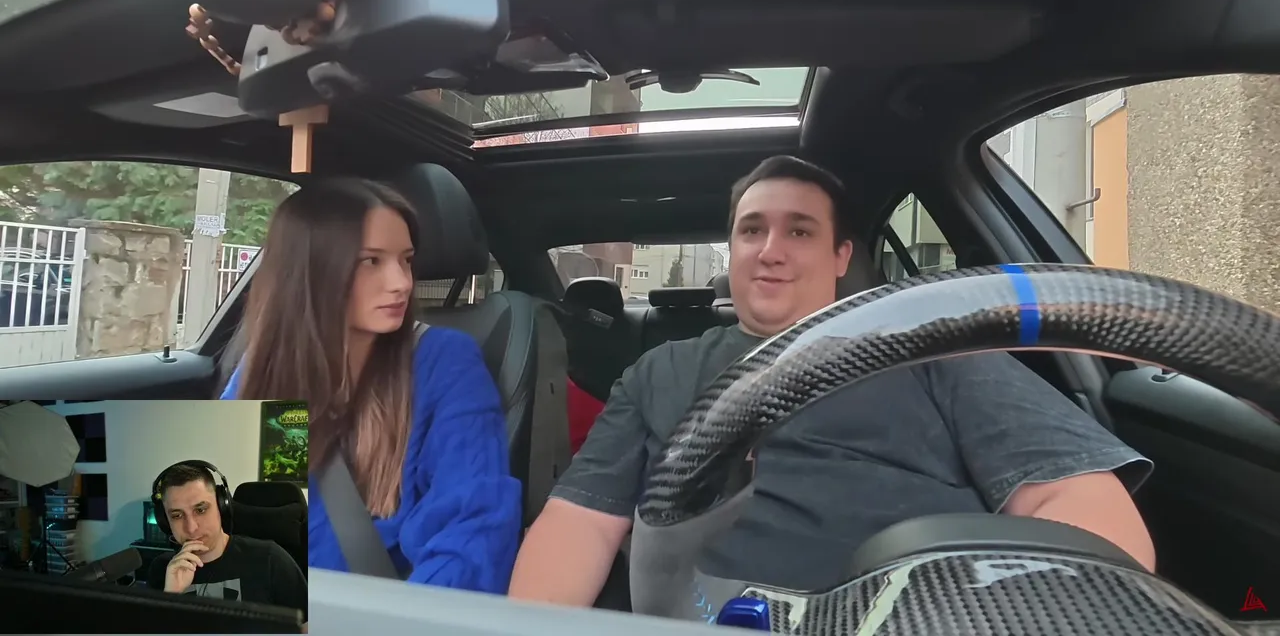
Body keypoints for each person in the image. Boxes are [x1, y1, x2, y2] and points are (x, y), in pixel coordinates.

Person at [509, 155, 1156, 613]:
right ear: (732, 248)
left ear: (841, 256)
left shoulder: (935, 353)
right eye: (752, 229)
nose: (771, 249)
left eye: (799, 230)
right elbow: (581, 524)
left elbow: (1080, 507)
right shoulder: (658, 371)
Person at [220, 178, 521, 593]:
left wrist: (397, 620)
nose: (401, 282)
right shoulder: (272, 369)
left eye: (406, 260)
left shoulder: (443, 362)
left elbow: (473, 530)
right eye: (372, 261)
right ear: (312, 271)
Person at [145, 461, 308, 621]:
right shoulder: (163, 570)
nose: (191, 528)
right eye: (177, 515)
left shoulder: (270, 559)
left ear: (222, 506)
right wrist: (170, 597)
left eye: (200, 510)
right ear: (165, 521)